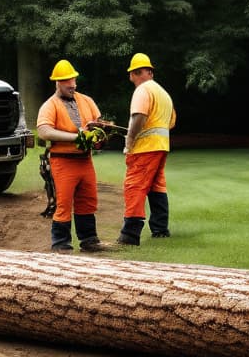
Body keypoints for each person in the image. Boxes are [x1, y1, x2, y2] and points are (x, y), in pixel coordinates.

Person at [36, 59, 109, 252]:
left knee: (88, 200)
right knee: (64, 202)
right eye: (67, 82)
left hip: (85, 161)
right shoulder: (50, 105)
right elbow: (43, 131)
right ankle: (61, 243)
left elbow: (98, 122)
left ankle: (89, 240)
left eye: (74, 80)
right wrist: (76, 137)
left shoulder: (87, 100)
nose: (72, 85)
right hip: (63, 161)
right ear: (58, 82)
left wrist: (101, 132)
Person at [120, 53, 176, 244]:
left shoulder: (142, 90)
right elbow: (171, 122)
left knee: (134, 185)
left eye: (132, 74)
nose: (130, 79)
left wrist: (129, 140)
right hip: (161, 146)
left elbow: (139, 117)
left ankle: (130, 234)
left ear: (136, 73)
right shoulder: (163, 93)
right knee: (156, 185)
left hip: (144, 148)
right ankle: (160, 228)